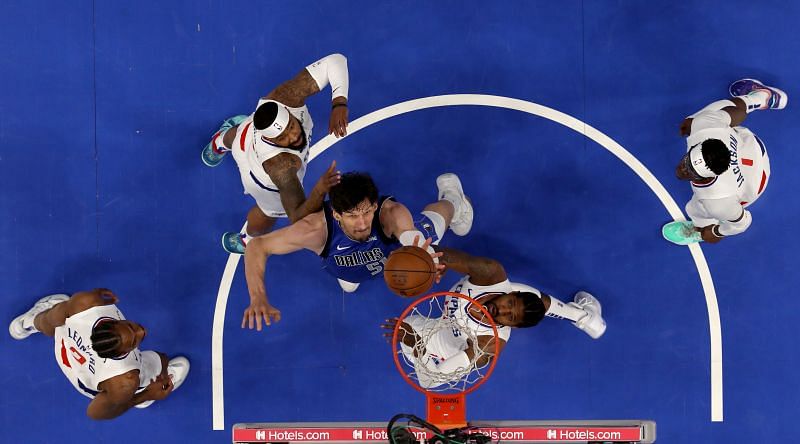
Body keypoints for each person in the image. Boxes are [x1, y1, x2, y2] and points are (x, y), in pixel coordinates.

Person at [241, 172, 474, 330]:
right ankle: (351, 275)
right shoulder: (314, 230)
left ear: (374, 205)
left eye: (366, 212)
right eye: (352, 216)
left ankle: (454, 199)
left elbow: (408, 233)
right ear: (336, 214)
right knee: (348, 277)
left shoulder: (391, 213)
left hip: (395, 250)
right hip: (346, 264)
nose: (362, 223)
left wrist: (425, 255)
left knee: (436, 223)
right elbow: (257, 246)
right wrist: (258, 296)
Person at [381, 247, 606, 389]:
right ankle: (583, 316)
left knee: (407, 325)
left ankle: (583, 317)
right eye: (508, 303)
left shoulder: (488, 345)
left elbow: (429, 381)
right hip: (442, 322)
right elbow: (446, 256)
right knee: (534, 301)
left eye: (510, 317)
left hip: (434, 351)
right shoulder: (490, 274)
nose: (502, 311)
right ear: (510, 294)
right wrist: (426, 259)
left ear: (513, 328)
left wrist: (417, 345)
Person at [200, 53, 350, 254]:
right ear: (271, 141)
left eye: (291, 126)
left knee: (240, 131)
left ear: (287, 111)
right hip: (261, 179)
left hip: (246, 135)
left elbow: (336, 60)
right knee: (268, 212)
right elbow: (297, 217)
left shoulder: (285, 97)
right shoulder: (281, 165)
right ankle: (248, 240)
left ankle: (218, 143)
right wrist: (320, 189)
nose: (294, 136)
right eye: (284, 138)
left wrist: (339, 102)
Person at [8, 288, 190, 420]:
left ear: (111, 323)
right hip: (97, 383)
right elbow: (96, 412)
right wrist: (147, 395)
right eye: (134, 341)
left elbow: (47, 321)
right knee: (160, 361)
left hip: (65, 345)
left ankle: (25, 324)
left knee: (57, 313)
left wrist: (38, 320)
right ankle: (144, 389)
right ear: (121, 353)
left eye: (130, 327)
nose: (142, 332)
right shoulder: (125, 380)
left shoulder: (85, 304)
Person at [663, 78, 787, 245]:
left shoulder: (718, 202)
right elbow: (739, 111)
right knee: (699, 119)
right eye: (686, 161)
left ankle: (698, 230)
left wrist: (715, 231)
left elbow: (743, 223)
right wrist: (750, 101)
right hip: (750, 146)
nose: (682, 168)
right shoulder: (705, 128)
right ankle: (763, 97)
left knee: (695, 209)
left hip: (755, 181)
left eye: (690, 170)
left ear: (709, 177)